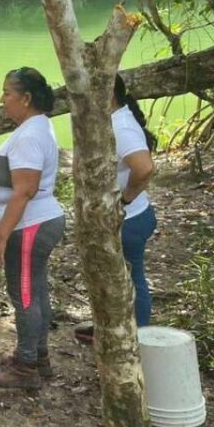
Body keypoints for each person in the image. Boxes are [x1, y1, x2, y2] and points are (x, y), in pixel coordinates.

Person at [0, 67, 66, 390]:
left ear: (26, 98)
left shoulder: (30, 135)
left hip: (30, 226)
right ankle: (36, 355)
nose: (2, 100)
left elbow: (25, 189)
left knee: (26, 295)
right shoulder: (37, 127)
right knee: (37, 290)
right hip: (38, 221)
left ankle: (25, 367)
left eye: (7, 93)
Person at [76, 74, 157, 341]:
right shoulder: (111, 120)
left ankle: (138, 339)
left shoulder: (121, 127)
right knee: (113, 279)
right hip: (122, 217)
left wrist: (124, 200)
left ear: (107, 94)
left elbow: (145, 169)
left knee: (132, 281)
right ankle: (113, 329)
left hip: (130, 219)